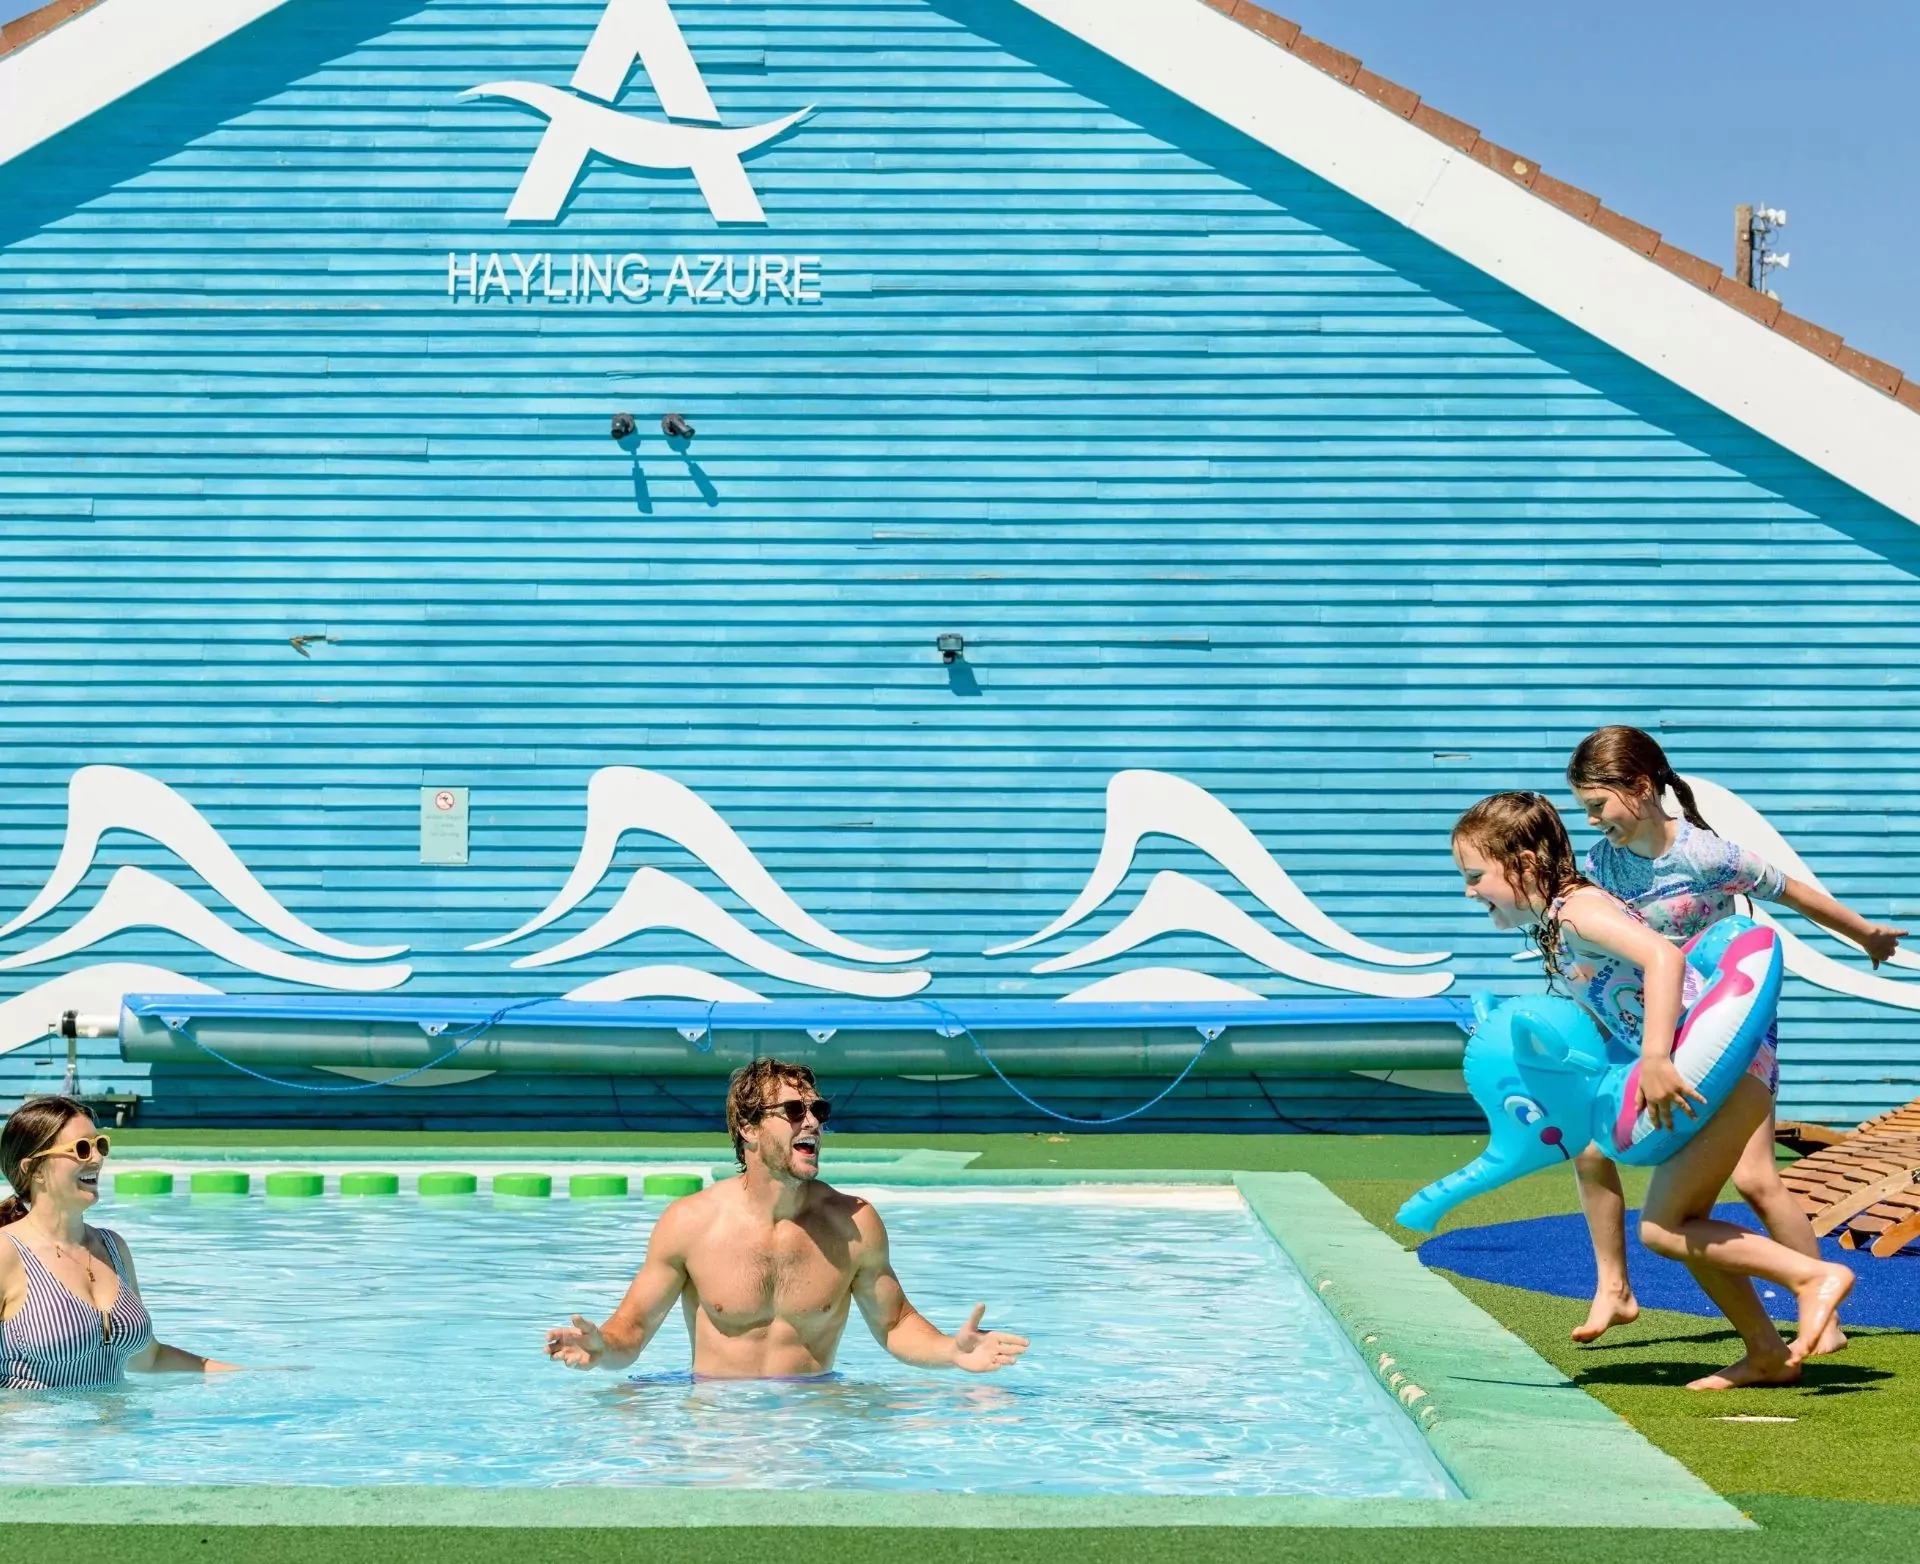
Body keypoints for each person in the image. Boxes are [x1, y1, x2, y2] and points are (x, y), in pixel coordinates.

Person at [1452, 792, 1853, 1390]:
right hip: (1714, 1077)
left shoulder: (1577, 912)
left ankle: (1811, 1278)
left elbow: (1663, 958)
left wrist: (1657, 1058)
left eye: (1475, 875)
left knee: (1665, 1228)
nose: (1469, 891)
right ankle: (1766, 1353)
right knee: (1683, 1221)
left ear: (1527, 862)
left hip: (1716, 1073)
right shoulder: (1560, 921)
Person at [1564, 726, 1904, 1353]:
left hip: (1733, 1030)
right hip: (1667, 1029)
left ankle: (1821, 1313)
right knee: (1589, 1148)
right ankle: (1614, 1285)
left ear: (1639, 787)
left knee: (1756, 1179)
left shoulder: (1707, 855)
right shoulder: (1601, 867)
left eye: (1596, 804)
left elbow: (1793, 894)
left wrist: (1864, 936)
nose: (1591, 819)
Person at [545, 1060, 1029, 1380]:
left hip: (814, 1415)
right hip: (720, 1421)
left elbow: (895, 1323)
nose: (813, 1122)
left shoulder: (853, 1223)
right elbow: (632, 1328)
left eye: (817, 1109)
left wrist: (951, 1350)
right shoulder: (690, 1223)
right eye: (794, 1111)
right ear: (749, 1130)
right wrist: (601, 1347)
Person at [2, 1096, 238, 1389]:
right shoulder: (6, 1254)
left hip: (120, 1432)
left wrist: (244, 1373)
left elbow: (148, 1358)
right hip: (34, 1432)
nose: (97, 1158)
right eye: (81, 1149)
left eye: (99, 1145)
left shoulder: (112, 1248)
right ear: (34, 1169)